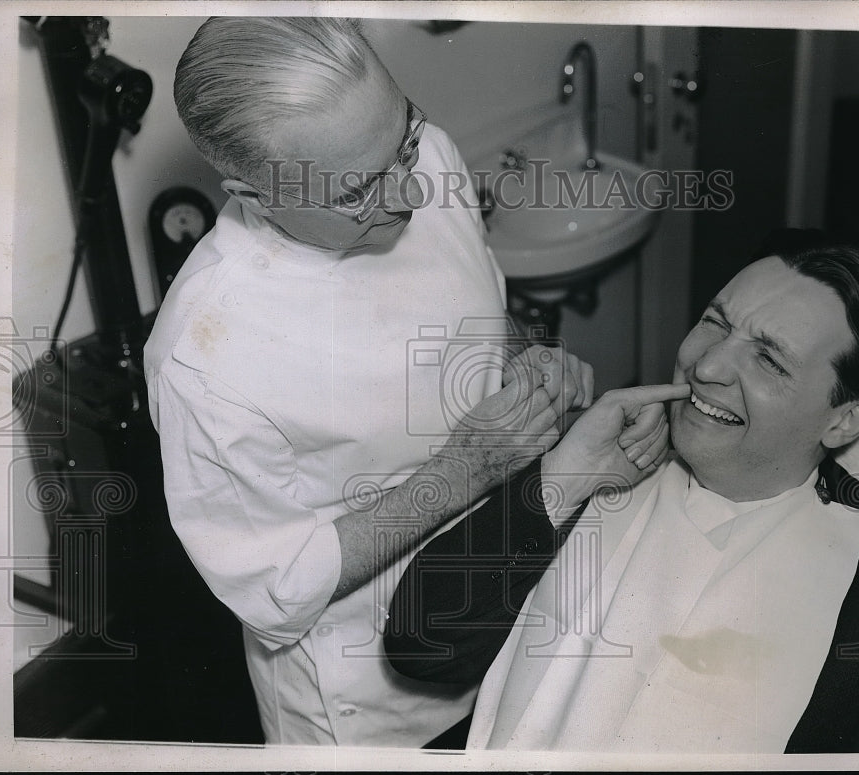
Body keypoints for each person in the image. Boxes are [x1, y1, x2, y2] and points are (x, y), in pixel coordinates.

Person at [144, 16, 597, 747]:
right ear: (255, 196)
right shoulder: (208, 359)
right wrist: (467, 466)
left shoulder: (432, 159)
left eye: (405, 142)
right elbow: (276, 587)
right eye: (356, 191)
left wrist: (525, 358)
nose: (409, 196)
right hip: (380, 707)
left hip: (509, 606)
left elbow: (476, 309)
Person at [384, 231, 859, 753]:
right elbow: (419, 648)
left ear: (844, 421)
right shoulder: (604, 465)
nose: (707, 364)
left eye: (768, 359)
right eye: (714, 323)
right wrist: (561, 478)